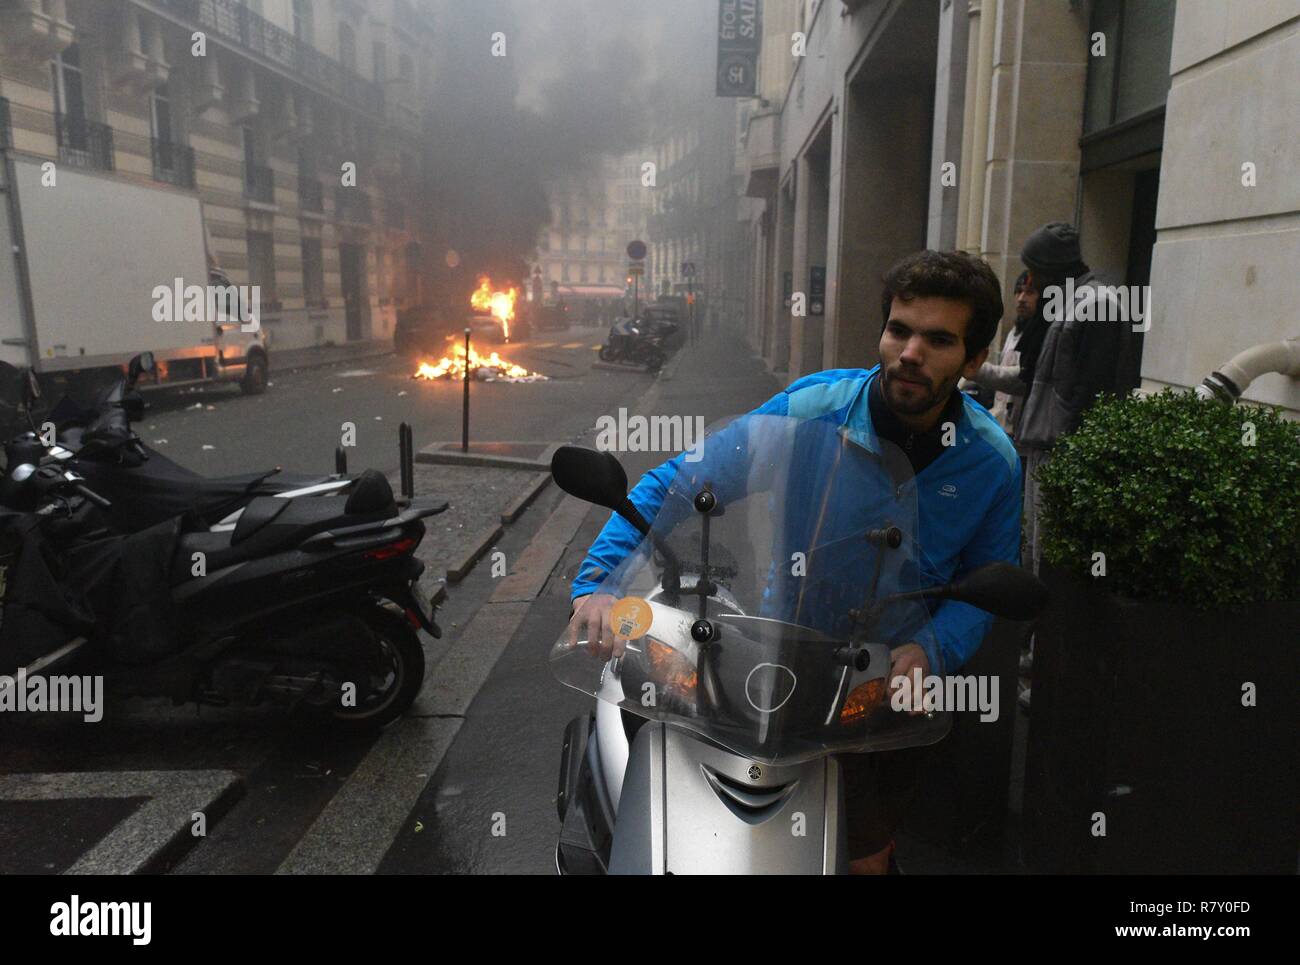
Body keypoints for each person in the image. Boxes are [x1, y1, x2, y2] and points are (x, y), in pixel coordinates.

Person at [566, 249, 1023, 874]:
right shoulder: (813, 407)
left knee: (865, 859)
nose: (910, 352)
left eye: (938, 340)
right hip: (771, 663)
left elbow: (984, 581)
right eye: (899, 330)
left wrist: (935, 650)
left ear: (973, 360)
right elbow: (680, 483)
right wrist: (598, 583)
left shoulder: (993, 461)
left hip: (879, 690)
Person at [963, 270, 1049, 454]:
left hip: (1023, 435)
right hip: (1003, 429)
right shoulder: (1015, 332)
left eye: (1030, 292)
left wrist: (972, 366)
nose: (1021, 298)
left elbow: (1021, 379)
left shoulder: (1043, 335)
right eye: (1018, 291)